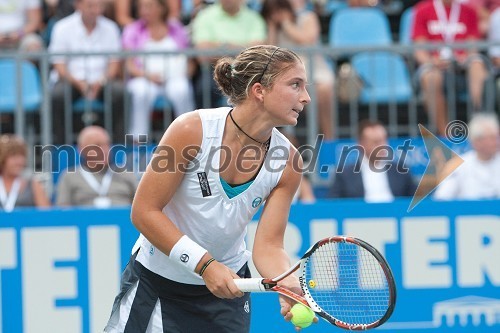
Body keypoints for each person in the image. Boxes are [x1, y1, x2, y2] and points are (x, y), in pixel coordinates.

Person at [103, 45, 315, 332]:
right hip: (156, 287)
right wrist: (204, 265)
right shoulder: (191, 130)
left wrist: (285, 281)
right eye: (295, 85)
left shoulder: (289, 162)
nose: (306, 97)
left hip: (226, 295)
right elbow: (144, 212)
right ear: (259, 91)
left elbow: (269, 246)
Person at [48, 0, 126, 144]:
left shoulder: (111, 28)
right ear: (78, 5)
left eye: (99, 5)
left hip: (103, 81)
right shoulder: (62, 27)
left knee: (120, 93)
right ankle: (61, 148)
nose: (95, 10)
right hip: (71, 80)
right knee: (57, 96)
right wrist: (79, 84)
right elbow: (59, 65)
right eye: (90, 6)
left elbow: (114, 64)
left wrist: (101, 81)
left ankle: (119, 148)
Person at [411, 0, 488, 135]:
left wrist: (464, 58)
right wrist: (433, 61)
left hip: (461, 67)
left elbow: (472, 48)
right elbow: (420, 51)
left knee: (477, 65)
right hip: (434, 66)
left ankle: (480, 128)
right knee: (431, 77)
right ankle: (445, 134)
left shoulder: (469, 11)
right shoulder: (423, 10)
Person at [261, 0, 336, 140]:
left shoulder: (308, 17)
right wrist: (272, 26)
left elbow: (307, 40)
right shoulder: (272, 26)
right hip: (286, 72)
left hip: (314, 69)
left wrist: (285, 22)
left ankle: (328, 139)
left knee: (323, 91)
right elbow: (269, 50)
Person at [122, 0, 194, 141]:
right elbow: (129, 65)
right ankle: (138, 139)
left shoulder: (176, 28)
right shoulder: (132, 29)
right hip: (144, 77)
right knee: (141, 92)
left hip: (174, 78)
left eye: (148, 7)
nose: (144, 11)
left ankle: (190, 135)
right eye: (141, 7)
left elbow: (189, 61)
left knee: (182, 90)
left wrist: (183, 73)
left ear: (161, 8)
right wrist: (148, 76)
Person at [191, 0, 267, 108]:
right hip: (212, 70)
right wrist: (241, 48)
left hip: (246, 70)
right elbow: (203, 55)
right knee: (204, 90)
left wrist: (221, 46)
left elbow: (257, 52)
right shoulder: (205, 16)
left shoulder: (254, 19)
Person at [328, 120, 417, 201]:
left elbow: (414, 202)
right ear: (361, 144)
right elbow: (333, 205)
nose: (382, 146)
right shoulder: (345, 174)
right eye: (376, 142)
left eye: (383, 140)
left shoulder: (401, 170)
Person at [55, 126, 138, 207]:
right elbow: (63, 211)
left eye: (107, 144)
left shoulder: (126, 173)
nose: (104, 150)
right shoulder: (70, 176)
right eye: (97, 146)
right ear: (82, 150)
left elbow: (141, 207)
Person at [434, 112, 500, 200]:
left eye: (497, 137)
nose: (497, 142)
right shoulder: (458, 165)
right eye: (492, 138)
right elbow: (441, 197)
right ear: (476, 142)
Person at [0, 134, 51, 212]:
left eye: (22, 156)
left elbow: (47, 215)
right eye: (14, 157)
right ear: (2, 158)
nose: (19, 161)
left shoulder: (32, 183)